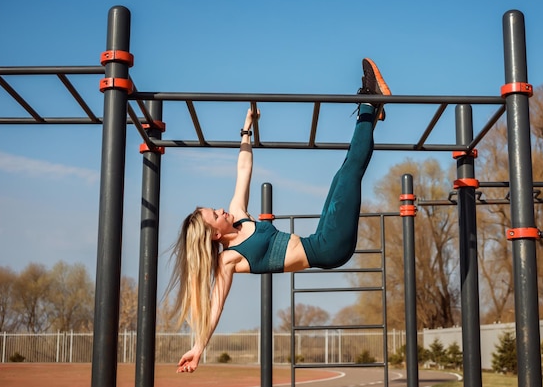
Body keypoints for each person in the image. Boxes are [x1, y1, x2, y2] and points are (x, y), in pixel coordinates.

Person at [167, 58, 391, 373]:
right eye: (214, 215)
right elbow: (215, 305)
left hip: (319, 238)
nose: (220, 210)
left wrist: (247, 128)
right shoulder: (228, 260)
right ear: (215, 234)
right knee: (350, 173)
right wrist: (199, 346)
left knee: (342, 174)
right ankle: (371, 102)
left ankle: (374, 112)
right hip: (328, 249)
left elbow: (243, 169)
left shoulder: (238, 214)